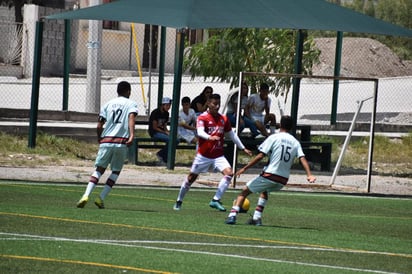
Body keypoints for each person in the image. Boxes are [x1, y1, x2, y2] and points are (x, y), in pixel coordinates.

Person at [225, 115, 316, 225]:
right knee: (265, 190)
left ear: (280, 125)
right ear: (291, 127)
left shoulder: (273, 138)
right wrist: (309, 174)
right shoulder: (295, 142)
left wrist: (244, 168)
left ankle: (232, 216)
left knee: (244, 192)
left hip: (270, 175)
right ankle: (256, 218)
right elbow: (302, 158)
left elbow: (260, 156)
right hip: (283, 180)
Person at [173, 93, 253, 211]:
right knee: (191, 178)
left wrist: (242, 147)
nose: (217, 106)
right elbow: (200, 132)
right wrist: (209, 137)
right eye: (214, 104)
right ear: (209, 104)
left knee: (229, 173)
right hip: (203, 155)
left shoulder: (223, 119)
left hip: (218, 155)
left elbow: (231, 134)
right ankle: (179, 201)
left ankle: (215, 200)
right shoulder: (202, 117)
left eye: (218, 104)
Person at [77, 81, 138, 209]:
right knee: (115, 171)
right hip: (121, 142)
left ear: (117, 91)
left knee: (99, 169)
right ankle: (101, 198)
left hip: (106, 141)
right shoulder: (131, 104)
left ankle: (85, 195)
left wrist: (100, 137)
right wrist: (132, 135)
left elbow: (99, 125)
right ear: (128, 91)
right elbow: (131, 117)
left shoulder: (108, 104)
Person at [148, 97, 174, 164]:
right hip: (154, 132)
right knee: (170, 140)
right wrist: (165, 132)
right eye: (167, 105)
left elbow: (164, 126)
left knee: (176, 140)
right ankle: (163, 157)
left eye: (169, 105)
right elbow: (154, 127)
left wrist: (167, 131)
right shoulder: (155, 112)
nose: (169, 107)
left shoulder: (167, 114)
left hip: (162, 132)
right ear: (162, 105)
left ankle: (162, 154)